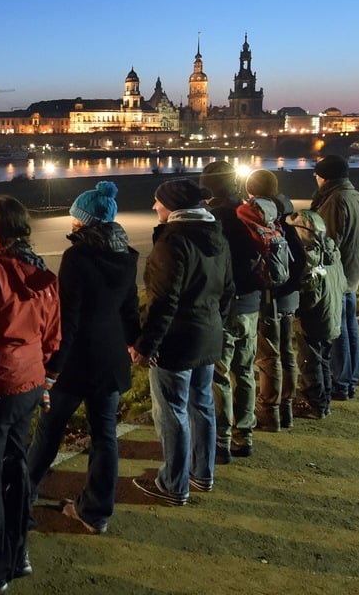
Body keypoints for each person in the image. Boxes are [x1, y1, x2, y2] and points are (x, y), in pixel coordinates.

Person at [29, 181, 139, 537]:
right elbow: (130, 310)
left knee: (48, 431)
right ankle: (96, 512)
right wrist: (135, 343)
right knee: (104, 434)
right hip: (109, 360)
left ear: (84, 222)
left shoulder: (77, 258)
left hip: (76, 362)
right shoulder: (126, 255)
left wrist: (53, 368)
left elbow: (69, 319)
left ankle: (22, 496)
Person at [0, 195, 59, 593]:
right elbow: (52, 337)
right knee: (14, 469)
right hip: (30, 383)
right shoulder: (42, 273)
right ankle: (18, 554)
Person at [131, 179, 232, 506]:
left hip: (177, 341)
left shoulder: (172, 243)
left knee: (172, 412)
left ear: (173, 205)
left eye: (157, 201)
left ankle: (174, 484)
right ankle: (203, 473)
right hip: (208, 334)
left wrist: (145, 346)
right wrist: (216, 325)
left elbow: (163, 303)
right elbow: (228, 290)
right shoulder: (217, 238)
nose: (153, 207)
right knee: (201, 404)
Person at [199, 160, 260, 460]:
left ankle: (221, 440)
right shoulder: (250, 211)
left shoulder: (215, 217)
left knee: (220, 374)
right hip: (251, 303)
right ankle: (244, 435)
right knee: (245, 371)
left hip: (225, 306)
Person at [245, 169, 305, 431]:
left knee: (267, 356)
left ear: (251, 191)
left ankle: (269, 410)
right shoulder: (286, 216)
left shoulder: (259, 219)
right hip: (289, 296)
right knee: (286, 352)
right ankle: (286, 408)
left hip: (270, 298)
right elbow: (299, 259)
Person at [310, 155, 359, 402]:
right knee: (350, 327)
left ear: (323, 177)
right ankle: (351, 376)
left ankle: (341, 381)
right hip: (352, 270)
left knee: (338, 331)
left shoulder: (335, 200)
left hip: (338, 275)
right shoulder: (358, 196)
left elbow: (329, 241)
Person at [285, 210, 346, 418]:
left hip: (316, 318)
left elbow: (311, 296)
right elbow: (343, 284)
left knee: (310, 361)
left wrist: (297, 307)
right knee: (324, 360)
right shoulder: (331, 250)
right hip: (333, 313)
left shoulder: (312, 255)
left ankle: (315, 404)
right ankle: (325, 401)